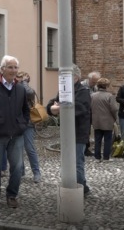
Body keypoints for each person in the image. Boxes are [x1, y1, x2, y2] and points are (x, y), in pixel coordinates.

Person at [0, 55, 30, 208]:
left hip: (16, 135)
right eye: (10, 67)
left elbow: (25, 110)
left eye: (16, 67)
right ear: (2, 69)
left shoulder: (21, 89)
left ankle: (12, 195)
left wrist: (22, 124)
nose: (13, 70)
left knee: (17, 167)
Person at [47, 64, 91, 196]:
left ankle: (80, 189)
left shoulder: (83, 91)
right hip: (66, 133)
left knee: (77, 162)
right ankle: (81, 186)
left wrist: (61, 106)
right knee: (67, 162)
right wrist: (51, 109)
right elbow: (51, 104)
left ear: (75, 77)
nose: (61, 78)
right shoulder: (63, 90)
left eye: (64, 76)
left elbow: (81, 108)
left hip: (79, 132)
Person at [16, 71, 41, 183]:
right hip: (16, 123)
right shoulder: (14, 88)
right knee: (18, 148)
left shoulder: (29, 90)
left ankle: (36, 172)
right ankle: (20, 171)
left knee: (29, 148)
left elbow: (28, 92)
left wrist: (24, 82)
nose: (18, 79)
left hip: (27, 123)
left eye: (21, 77)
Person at [91, 78, 118, 162]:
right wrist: (115, 118)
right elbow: (114, 109)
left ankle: (97, 157)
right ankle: (106, 157)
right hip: (107, 121)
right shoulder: (109, 96)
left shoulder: (92, 95)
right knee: (107, 140)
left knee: (97, 140)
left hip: (96, 120)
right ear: (107, 86)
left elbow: (89, 107)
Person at [83, 71, 101, 157]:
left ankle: (86, 148)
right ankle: (84, 149)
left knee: (89, 131)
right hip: (83, 112)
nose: (95, 83)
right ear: (89, 79)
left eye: (96, 82)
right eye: (94, 81)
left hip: (92, 111)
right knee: (85, 130)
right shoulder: (82, 86)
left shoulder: (95, 87)